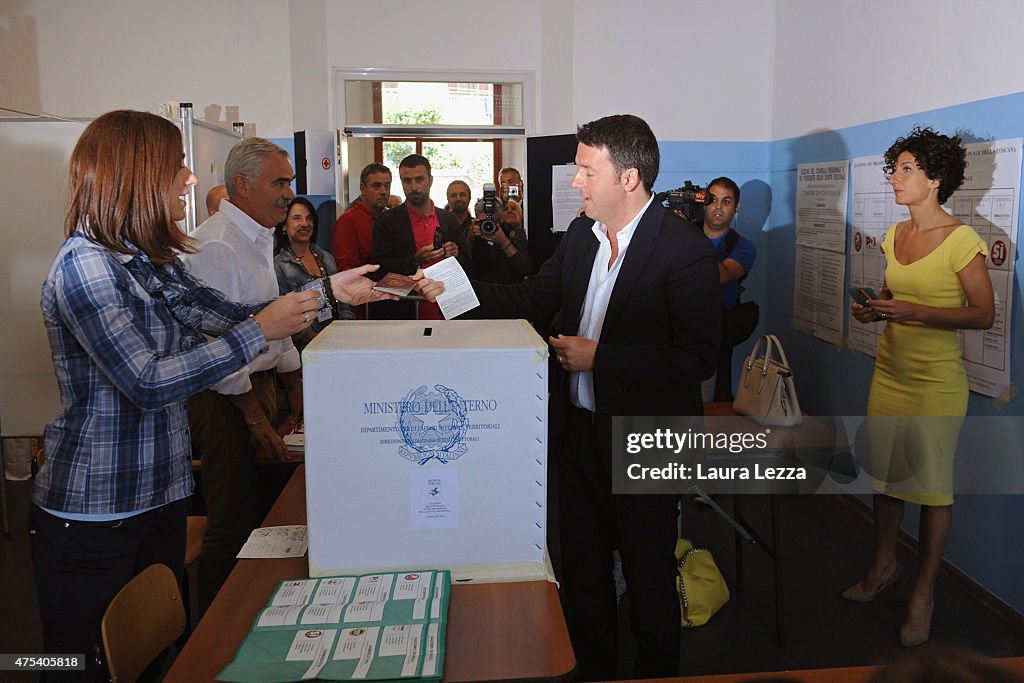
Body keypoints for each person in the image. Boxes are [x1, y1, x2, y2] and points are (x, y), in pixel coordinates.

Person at [28, 110, 375, 682]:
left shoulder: (145, 260)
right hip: (95, 509)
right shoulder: (85, 269)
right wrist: (261, 330)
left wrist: (325, 293)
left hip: (159, 493)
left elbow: (221, 314)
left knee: (150, 658)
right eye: (177, 167)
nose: (190, 179)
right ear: (135, 176)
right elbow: (147, 381)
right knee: (74, 665)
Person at [420, 114, 720, 680]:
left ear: (628, 178)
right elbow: (534, 296)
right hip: (580, 434)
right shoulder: (582, 235)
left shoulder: (683, 251)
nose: (575, 182)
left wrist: (598, 357)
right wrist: (450, 287)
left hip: (647, 439)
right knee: (582, 577)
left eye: (586, 170)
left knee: (649, 577)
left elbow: (697, 358)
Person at [184, 137, 394, 610]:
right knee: (233, 520)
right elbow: (218, 343)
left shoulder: (257, 236)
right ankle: (217, 630)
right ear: (242, 184)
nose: (288, 193)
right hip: (229, 400)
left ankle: (254, 610)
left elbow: (271, 322)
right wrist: (254, 414)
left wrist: (293, 383)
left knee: (265, 513)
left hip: (262, 391)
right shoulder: (217, 244)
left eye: (290, 183)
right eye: (279, 183)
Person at [845, 126, 994, 647]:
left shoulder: (962, 240)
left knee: (932, 490)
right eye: (895, 168)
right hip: (890, 373)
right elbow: (891, 296)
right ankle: (883, 566)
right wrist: (874, 310)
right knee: (886, 478)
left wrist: (913, 312)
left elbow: (983, 315)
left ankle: (923, 593)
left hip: (936, 385)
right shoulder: (894, 236)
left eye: (906, 169)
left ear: (934, 179)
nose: (895, 178)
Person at [370, 153, 470, 319]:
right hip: (404, 311)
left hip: (448, 309)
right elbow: (380, 268)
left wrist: (455, 254)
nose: (414, 186)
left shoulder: (448, 219)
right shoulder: (387, 220)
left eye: (419, 179)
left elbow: (468, 264)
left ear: (430, 180)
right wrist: (415, 260)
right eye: (407, 181)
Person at [699, 176, 756, 402]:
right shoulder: (683, 233)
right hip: (677, 330)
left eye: (726, 201)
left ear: (736, 207)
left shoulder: (742, 246)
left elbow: (720, 275)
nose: (718, 208)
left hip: (717, 334)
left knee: (714, 400)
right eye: (712, 200)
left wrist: (686, 238)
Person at [275, 196, 355, 351]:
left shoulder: (327, 258)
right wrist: (320, 343)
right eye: (297, 218)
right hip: (306, 350)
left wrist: (346, 332)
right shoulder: (279, 266)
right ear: (284, 225)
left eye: (309, 218)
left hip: (339, 343)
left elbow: (343, 301)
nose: (305, 224)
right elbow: (286, 316)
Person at [333, 163, 392, 271]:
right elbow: (346, 269)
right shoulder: (348, 221)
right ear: (363, 188)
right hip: (362, 285)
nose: (384, 192)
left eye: (387, 186)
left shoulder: (391, 219)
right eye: (376, 186)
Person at [467, 196, 531, 283]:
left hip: (508, 290)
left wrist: (504, 241)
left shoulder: (514, 232)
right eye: (482, 222)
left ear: (500, 219)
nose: (487, 226)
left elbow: (526, 269)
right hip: (483, 289)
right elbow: (465, 264)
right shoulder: (475, 233)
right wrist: (470, 238)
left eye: (490, 221)